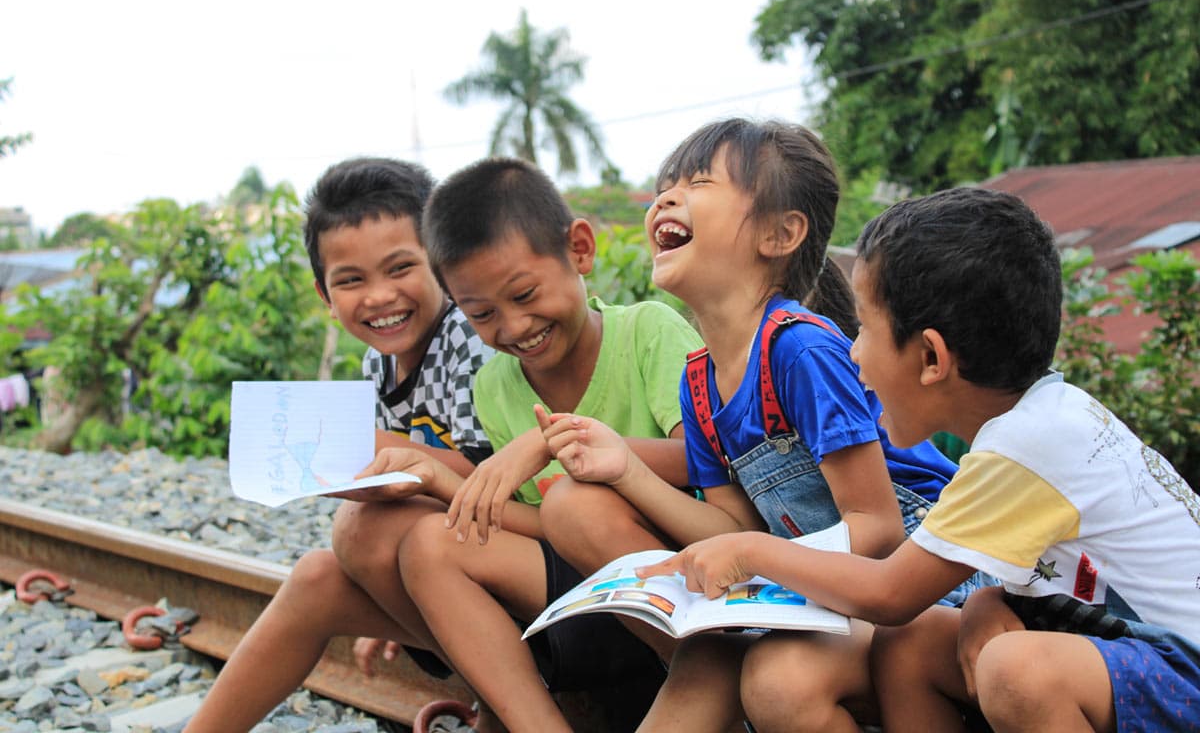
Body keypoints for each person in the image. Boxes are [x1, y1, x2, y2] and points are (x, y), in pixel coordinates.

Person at [639, 187, 1200, 733]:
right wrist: (986, 599)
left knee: (1015, 670)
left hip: (1185, 672)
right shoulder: (1036, 426)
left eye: (865, 328)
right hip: (1131, 652)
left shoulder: (1025, 445)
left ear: (931, 356)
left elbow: (888, 593)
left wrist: (749, 550)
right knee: (909, 640)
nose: (853, 351)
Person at [537, 118, 983, 732]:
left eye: (697, 182)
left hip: (927, 578)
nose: (665, 198)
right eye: (666, 185)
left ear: (780, 233)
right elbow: (734, 525)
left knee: (778, 681)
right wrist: (628, 471)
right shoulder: (698, 380)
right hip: (827, 590)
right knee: (707, 658)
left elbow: (877, 530)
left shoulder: (800, 350)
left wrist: (755, 557)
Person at [346, 155, 703, 733]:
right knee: (429, 544)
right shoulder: (495, 384)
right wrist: (440, 481)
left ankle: (702, 672)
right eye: (481, 313)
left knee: (574, 501)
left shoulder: (649, 331)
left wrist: (560, 443)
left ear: (580, 250)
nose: (513, 328)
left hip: (683, 580)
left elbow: (709, 461)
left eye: (525, 294)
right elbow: (546, 525)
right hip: (585, 595)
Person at [185, 157, 494, 732]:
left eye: (400, 268)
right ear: (324, 293)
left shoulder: (471, 338)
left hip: (519, 559)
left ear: (443, 262)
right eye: (351, 280)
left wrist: (374, 448)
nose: (378, 297)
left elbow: (496, 474)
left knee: (362, 527)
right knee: (314, 579)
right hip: (454, 565)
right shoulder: (376, 362)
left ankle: (504, 702)